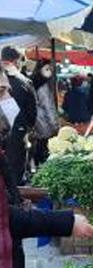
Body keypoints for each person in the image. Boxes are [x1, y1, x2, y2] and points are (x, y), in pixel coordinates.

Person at [1, 47, 37, 185]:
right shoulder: (24, 81)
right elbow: (32, 113)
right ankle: (12, 202)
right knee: (14, 173)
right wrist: (28, 128)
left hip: (15, 131)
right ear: (16, 61)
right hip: (17, 132)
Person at [30, 60, 59, 166]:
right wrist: (55, 124)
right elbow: (48, 107)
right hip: (44, 124)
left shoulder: (32, 82)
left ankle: (37, 166)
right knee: (45, 150)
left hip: (36, 123)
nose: (49, 72)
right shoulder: (42, 86)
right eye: (46, 69)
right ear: (39, 70)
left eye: (50, 69)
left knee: (38, 147)